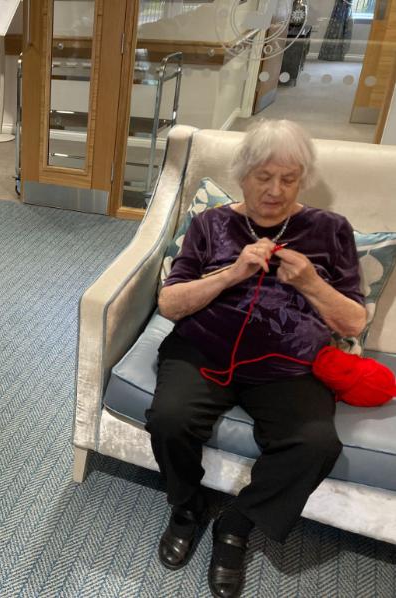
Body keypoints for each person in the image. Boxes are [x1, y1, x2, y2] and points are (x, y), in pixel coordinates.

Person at [148, 120, 365, 598]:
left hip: (288, 366)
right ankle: (187, 507)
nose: (275, 190)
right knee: (168, 419)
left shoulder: (330, 230)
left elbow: (352, 322)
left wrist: (310, 282)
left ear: (303, 179)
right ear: (243, 174)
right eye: (264, 177)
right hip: (204, 350)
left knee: (315, 444)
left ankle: (237, 524)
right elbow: (170, 304)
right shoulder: (211, 224)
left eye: (289, 179)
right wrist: (232, 273)